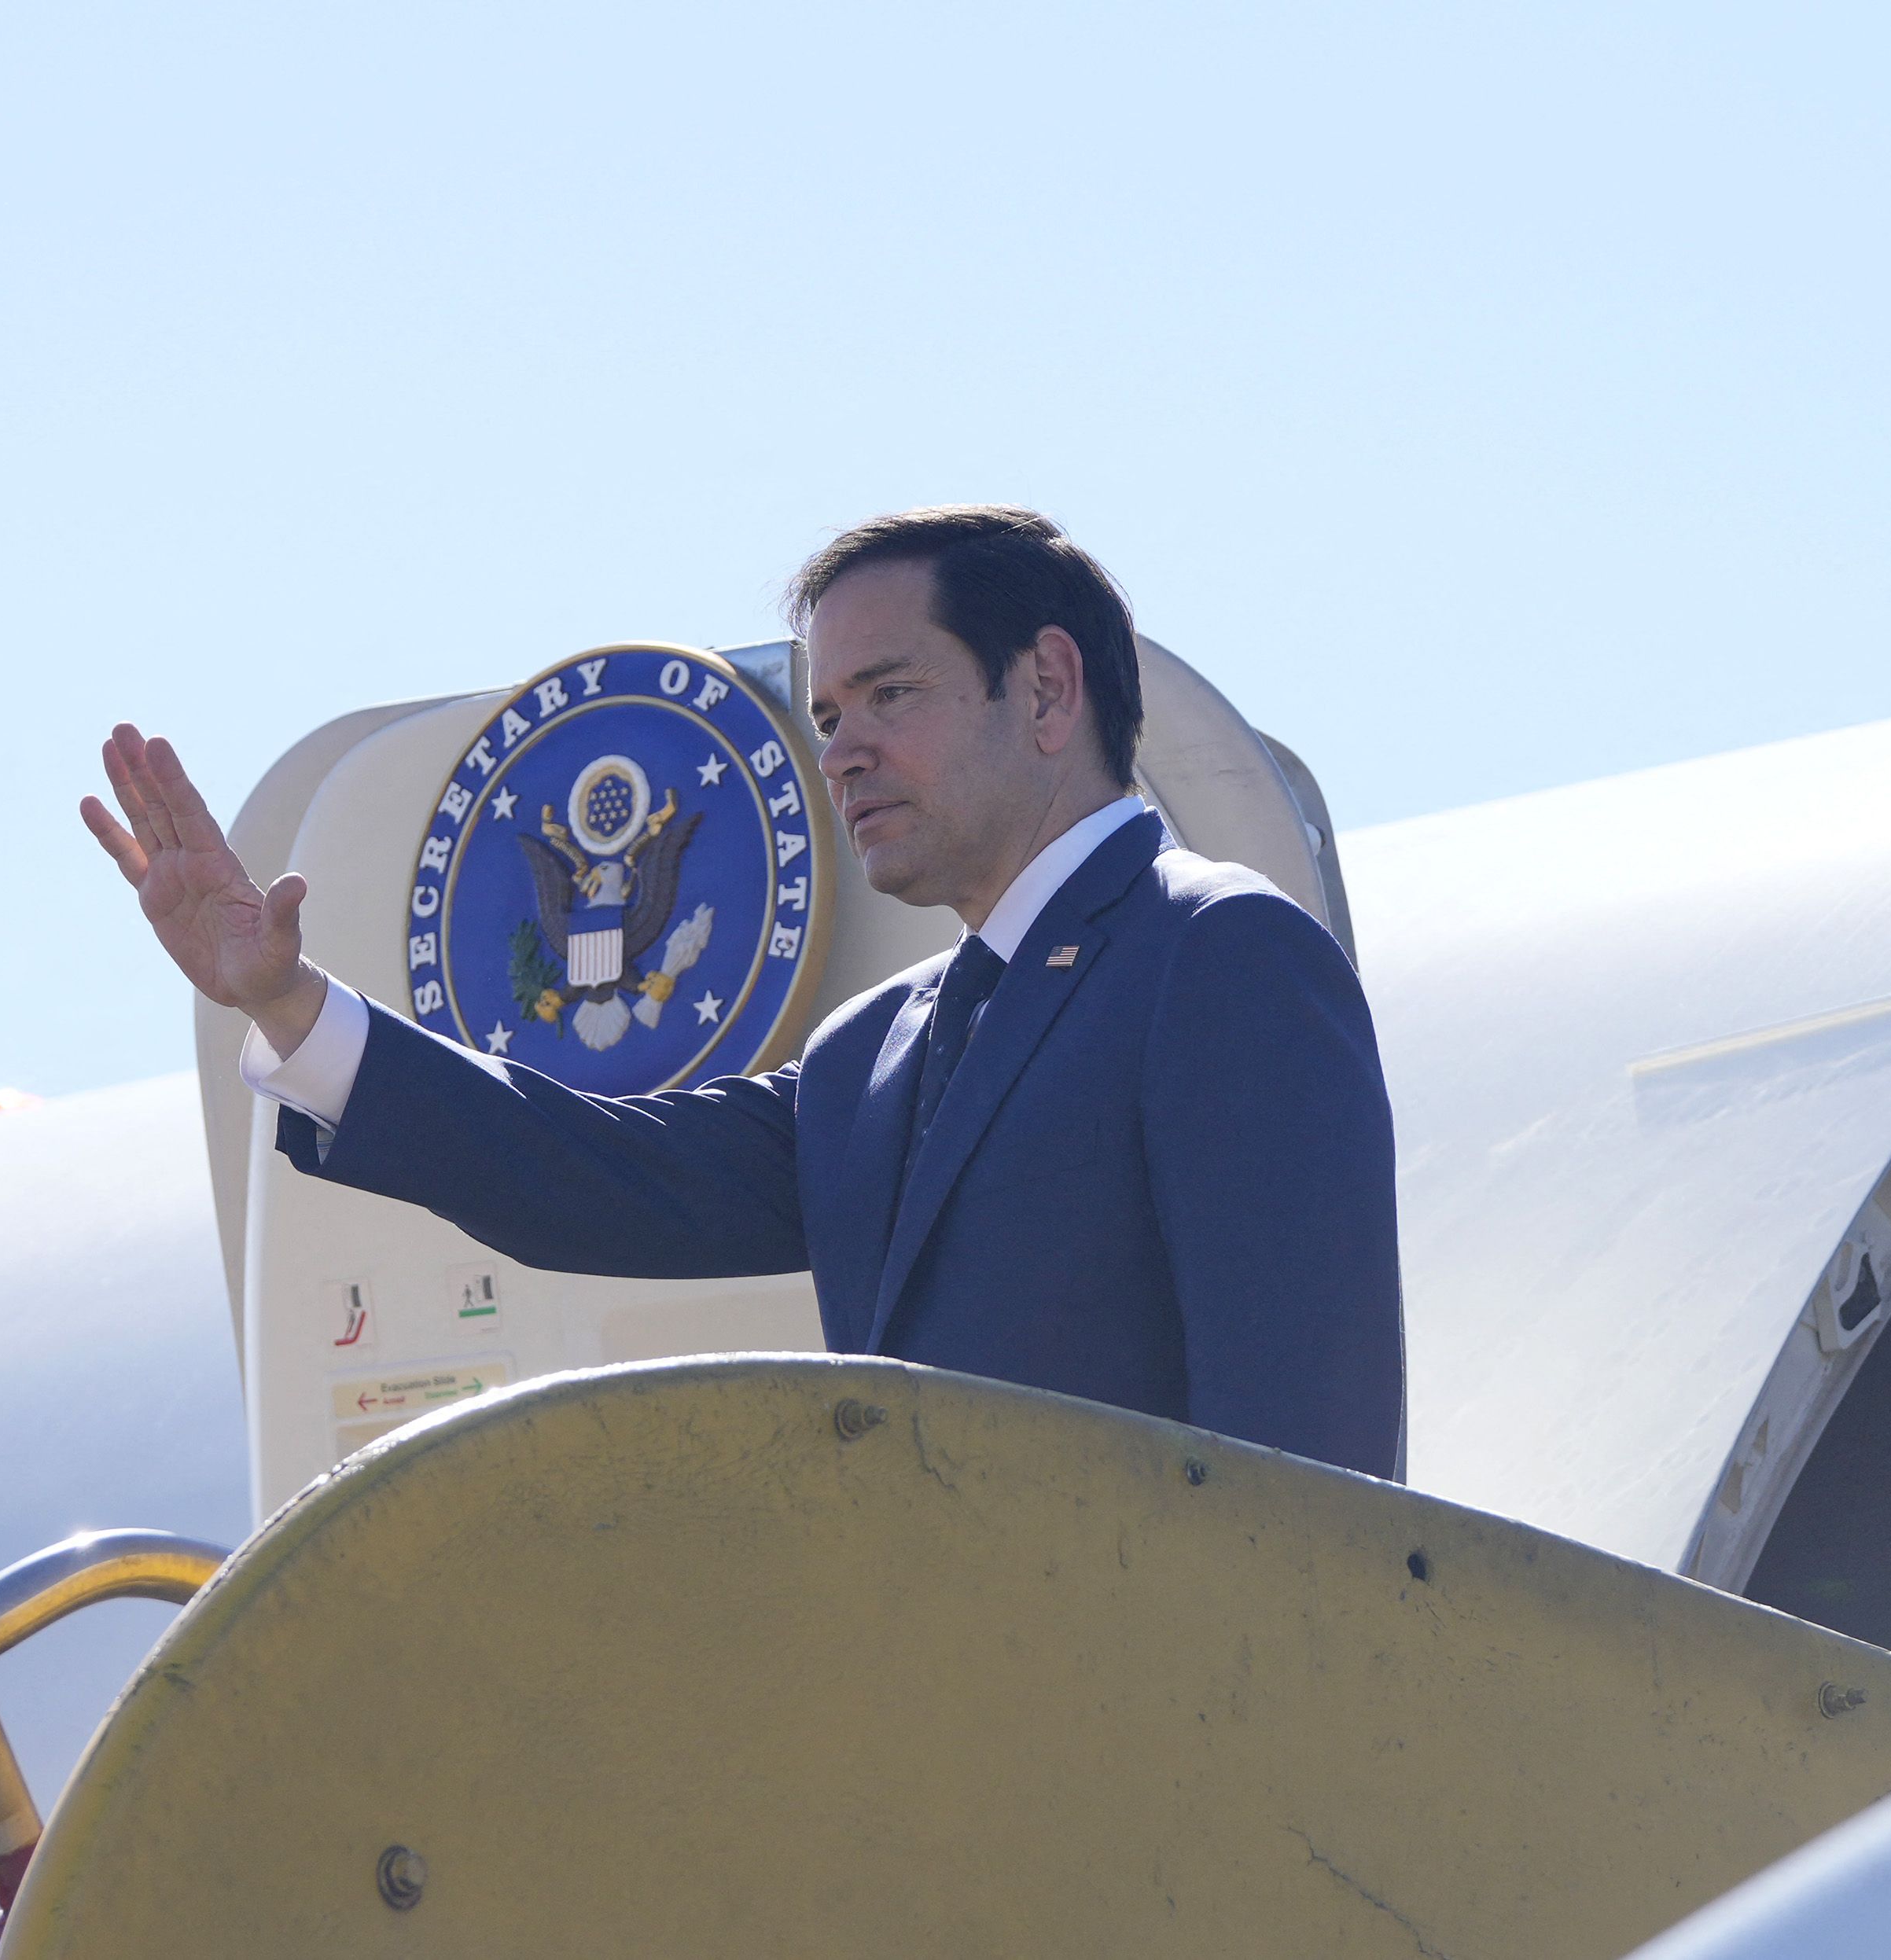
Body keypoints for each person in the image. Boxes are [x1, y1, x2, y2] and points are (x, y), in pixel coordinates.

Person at [84, 506, 1405, 1478]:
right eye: (828, 714)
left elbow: (1309, 1483)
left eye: (892, 694)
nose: (845, 749)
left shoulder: (1219, 957)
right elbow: (588, 1173)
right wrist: (294, 1008)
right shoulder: (875, 1054)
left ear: (1050, 689)